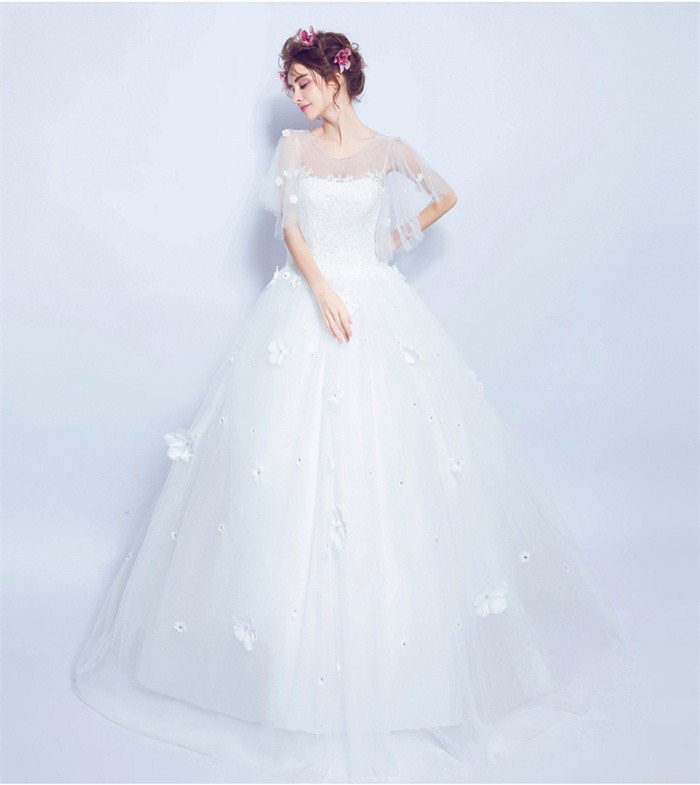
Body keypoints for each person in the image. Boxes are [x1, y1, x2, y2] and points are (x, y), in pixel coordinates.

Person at [72, 26, 630, 783]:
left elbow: (445, 195)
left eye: (305, 83)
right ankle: (287, 677)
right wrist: (325, 291)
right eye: (291, 86)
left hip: (378, 306)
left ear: (338, 78)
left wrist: (390, 243)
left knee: (389, 477)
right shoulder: (295, 151)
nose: (297, 98)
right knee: (288, 477)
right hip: (311, 306)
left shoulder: (388, 150)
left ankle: (404, 676)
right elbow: (292, 230)